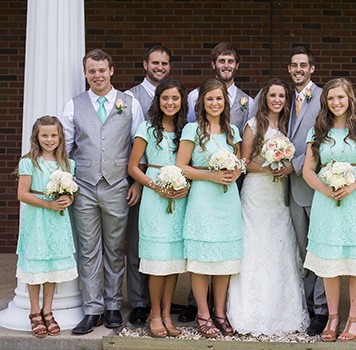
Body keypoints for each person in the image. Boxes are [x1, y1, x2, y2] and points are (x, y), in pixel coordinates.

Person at [61, 49, 144, 334]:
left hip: (118, 186)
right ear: (85, 73)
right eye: (91, 71)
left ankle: (112, 306)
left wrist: (136, 183)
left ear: (111, 71)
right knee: (88, 249)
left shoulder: (129, 103)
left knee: (113, 249)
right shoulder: (73, 106)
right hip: (83, 187)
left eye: (101, 70)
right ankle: (92, 308)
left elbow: (139, 145)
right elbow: (66, 149)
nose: (97, 75)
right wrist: (66, 184)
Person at [302, 78, 356, 342]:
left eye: (341, 97)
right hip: (327, 202)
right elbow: (307, 169)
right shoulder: (318, 130)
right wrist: (325, 189)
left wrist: (353, 186)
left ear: (350, 98)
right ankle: (333, 317)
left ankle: (354, 319)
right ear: (325, 101)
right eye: (330, 98)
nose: (336, 103)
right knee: (330, 262)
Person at [227, 78, 310, 335]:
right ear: (265, 98)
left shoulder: (287, 126)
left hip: (279, 195)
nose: (277, 100)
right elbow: (244, 162)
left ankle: (282, 308)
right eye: (273, 95)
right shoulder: (254, 125)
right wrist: (270, 166)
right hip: (257, 192)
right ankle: (250, 310)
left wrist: (282, 165)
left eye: (282, 96)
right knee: (255, 247)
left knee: (280, 246)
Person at [177, 78, 243, 337]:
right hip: (203, 197)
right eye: (210, 99)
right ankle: (202, 314)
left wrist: (234, 173)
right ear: (201, 103)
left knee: (224, 259)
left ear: (225, 101)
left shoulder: (232, 131)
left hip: (227, 199)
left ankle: (220, 312)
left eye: (219, 98)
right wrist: (210, 176)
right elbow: (182, 165)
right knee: (202, 258)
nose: (215, 103)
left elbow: (239, 162)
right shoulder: (192, 130)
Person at [125, 45, 183, 326]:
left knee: (173, 261)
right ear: (158, 100)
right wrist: (153, 185)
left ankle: (166, 312)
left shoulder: (187, 131)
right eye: (165, 98)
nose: (170, 103)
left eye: (175, 98)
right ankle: (153, 313)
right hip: (154, 198)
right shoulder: (146, 129)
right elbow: (133, 166)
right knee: (156, 259)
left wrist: (185, 187)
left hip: (179, 199)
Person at [278, 46, 328, 335]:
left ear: (312, 69)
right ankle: (305, 305)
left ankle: (320, 309)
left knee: (318, 249)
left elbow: (322, 138)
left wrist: (295, 165)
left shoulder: (324, 97)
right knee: (299, 249)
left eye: (303, 65)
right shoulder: (283, 97)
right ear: (289, 69)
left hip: (312, 183)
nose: (298, 69)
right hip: (287, 189)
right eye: (294, 65)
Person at [15, 116, 78, 338]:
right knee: (35, 268)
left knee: (51, 268)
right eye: (45, 135)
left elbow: (69, 193)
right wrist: (48, 204)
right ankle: (34, 312)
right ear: (37, 137)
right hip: (37, 219)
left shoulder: (68, 164)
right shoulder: (29, 162)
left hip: (57, 221)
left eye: (53, 135)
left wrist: (66, 200)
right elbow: (22, 194)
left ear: (60, 137)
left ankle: (48, 310)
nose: (49, 139)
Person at [187, 42, 253, 130]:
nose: (226, 66)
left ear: (237, 65)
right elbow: (190, 129)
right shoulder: (194, 96)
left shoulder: (249, 102)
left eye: (230, 61)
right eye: (222, 61)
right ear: (213, 65)